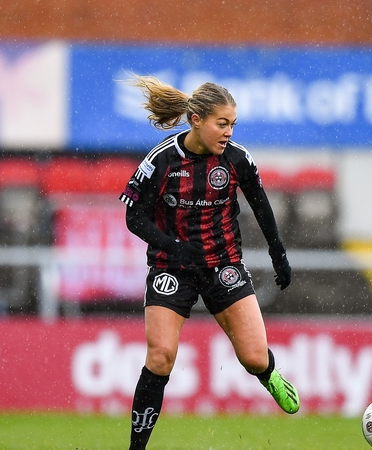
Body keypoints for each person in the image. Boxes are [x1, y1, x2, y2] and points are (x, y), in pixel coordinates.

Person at [119, 75, 299, 449]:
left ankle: (270, 374)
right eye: (223, 123)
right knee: (160, 356)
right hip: (172, 267)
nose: (229, 132)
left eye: (233, 124)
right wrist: (172, 245)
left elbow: (260, 204)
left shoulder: (237, 159)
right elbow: (134, 217)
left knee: (252, 358)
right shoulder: (161, 160)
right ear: (196, 120)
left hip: (224, 263)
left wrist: (277, 251)